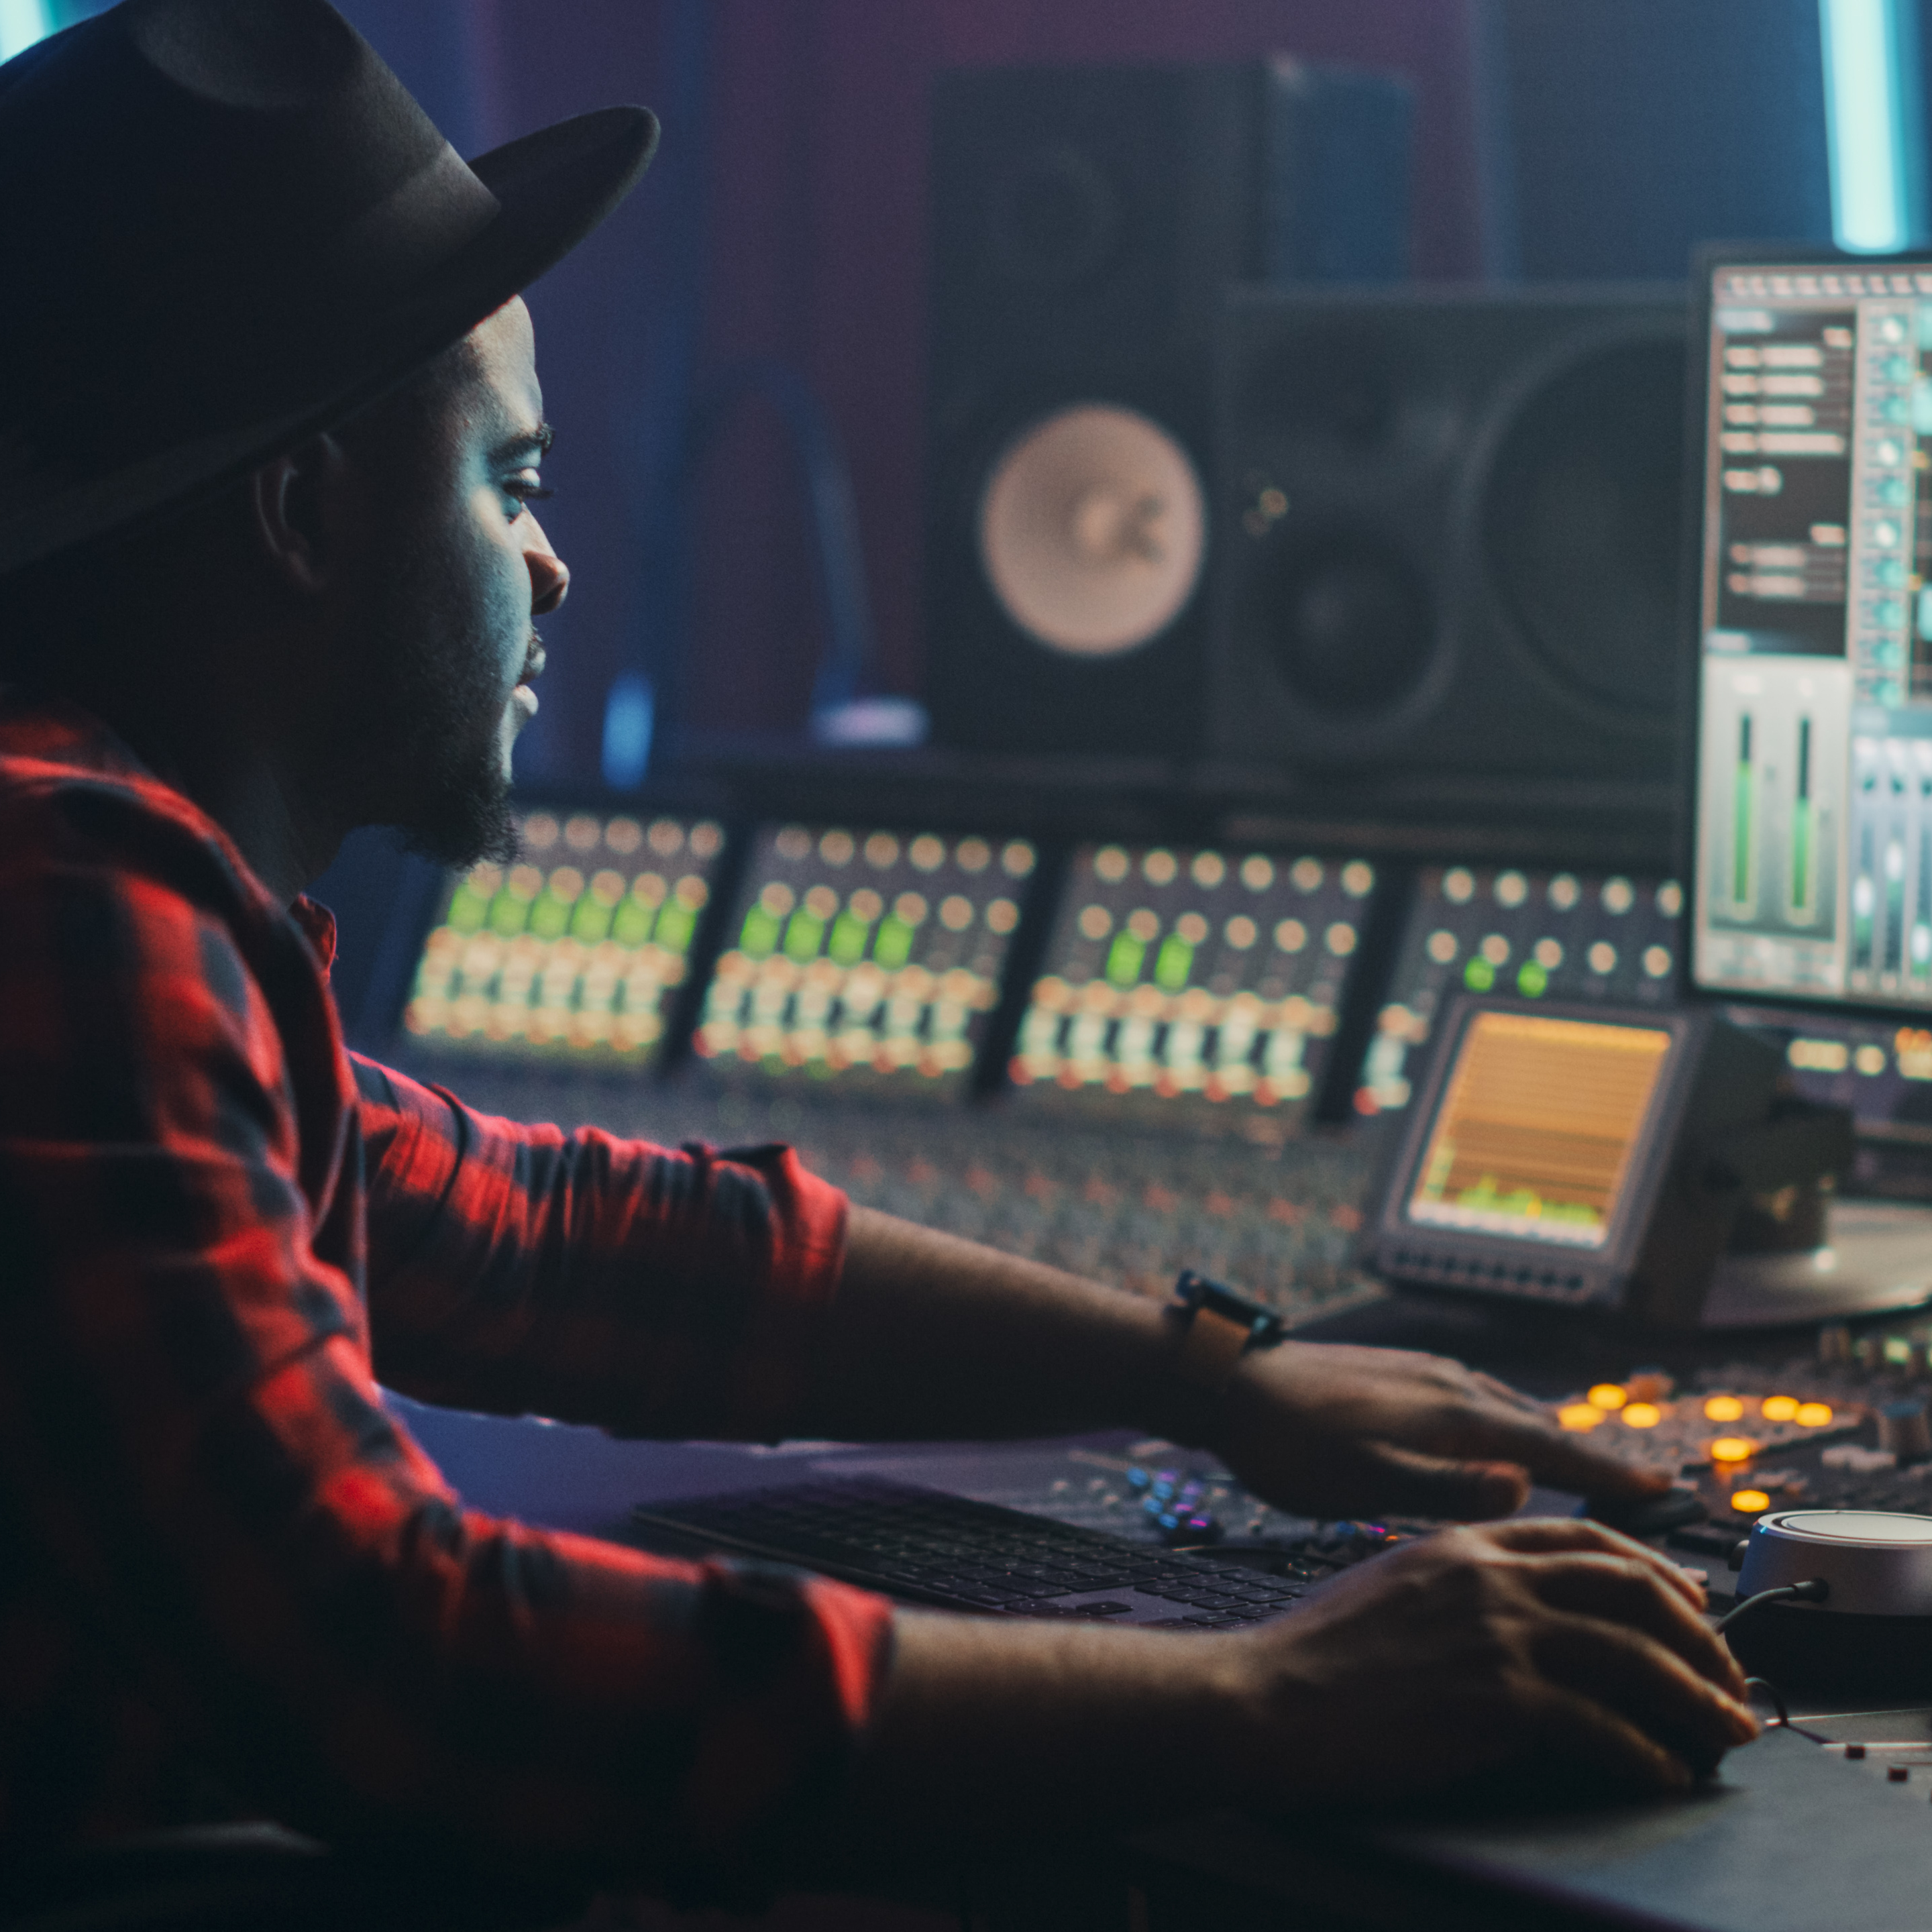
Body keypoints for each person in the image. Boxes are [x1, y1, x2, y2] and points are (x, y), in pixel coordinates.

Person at [0, 0, 1756, 1919]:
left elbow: (563, 1241)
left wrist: (1214, 1382)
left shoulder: (119, 882)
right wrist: (1279, 1694)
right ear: (305, 513)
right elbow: (400, 1666)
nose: (555, 567)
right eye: (511, 485)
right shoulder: (66, 891)